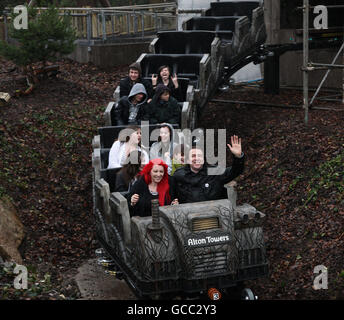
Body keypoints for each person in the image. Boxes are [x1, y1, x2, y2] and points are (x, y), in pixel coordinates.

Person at [173, 135, 245, 203]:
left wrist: (238, 157)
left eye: (199, 156)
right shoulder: (179, 175)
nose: (197, 158)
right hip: (187, 214)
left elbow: (235, 171)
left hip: (214, 213)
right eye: (193, 156)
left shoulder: (215, 172)